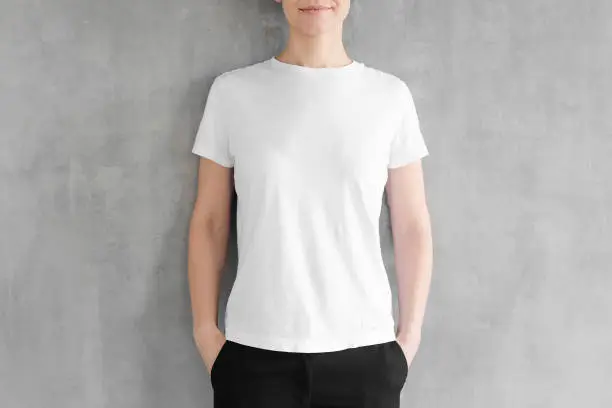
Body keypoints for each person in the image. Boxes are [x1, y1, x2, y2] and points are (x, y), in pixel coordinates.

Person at [188, 0, 433, 406]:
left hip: (365, 356)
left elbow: (412, 225)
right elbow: (210, 220)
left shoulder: (389, 97)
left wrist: (409, 339)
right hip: (254, 357)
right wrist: (205, 334)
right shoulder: (233, 93)